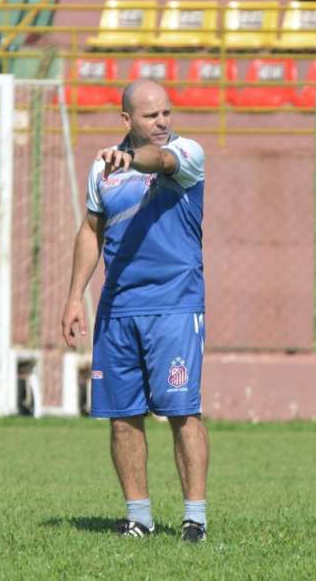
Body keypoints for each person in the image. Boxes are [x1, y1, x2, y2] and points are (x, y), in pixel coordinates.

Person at [61, 78, 209, 542]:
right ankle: (139, 518)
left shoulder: (186, 154)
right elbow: (90, 231)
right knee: (123, 416)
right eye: (151, 115)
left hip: (174, 304)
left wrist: (133, 156)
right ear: (127, 119)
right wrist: (73, 297)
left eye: (166, 112)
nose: (162, 121)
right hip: (118, 308)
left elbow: (159, 160)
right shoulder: (102, 169)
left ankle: (195, 520)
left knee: (182, 412)